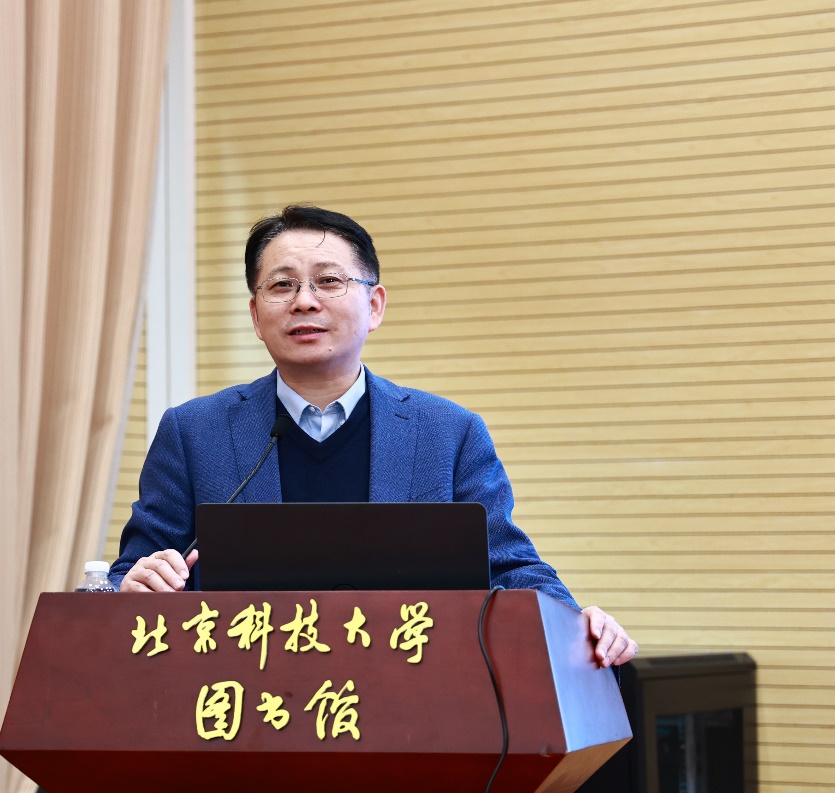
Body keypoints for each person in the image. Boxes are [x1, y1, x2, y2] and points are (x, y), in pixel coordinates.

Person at [111, 205, 637, 667]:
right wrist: (134, 586)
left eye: (329, 281)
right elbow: (129, 575)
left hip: (411, 703)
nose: (304, 301)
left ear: (375, 306)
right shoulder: (193, 432)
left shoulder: (448, 433)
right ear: (255, 314)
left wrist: (576, 624)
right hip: (244, 708)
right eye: (282, 285)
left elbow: (508, 565)